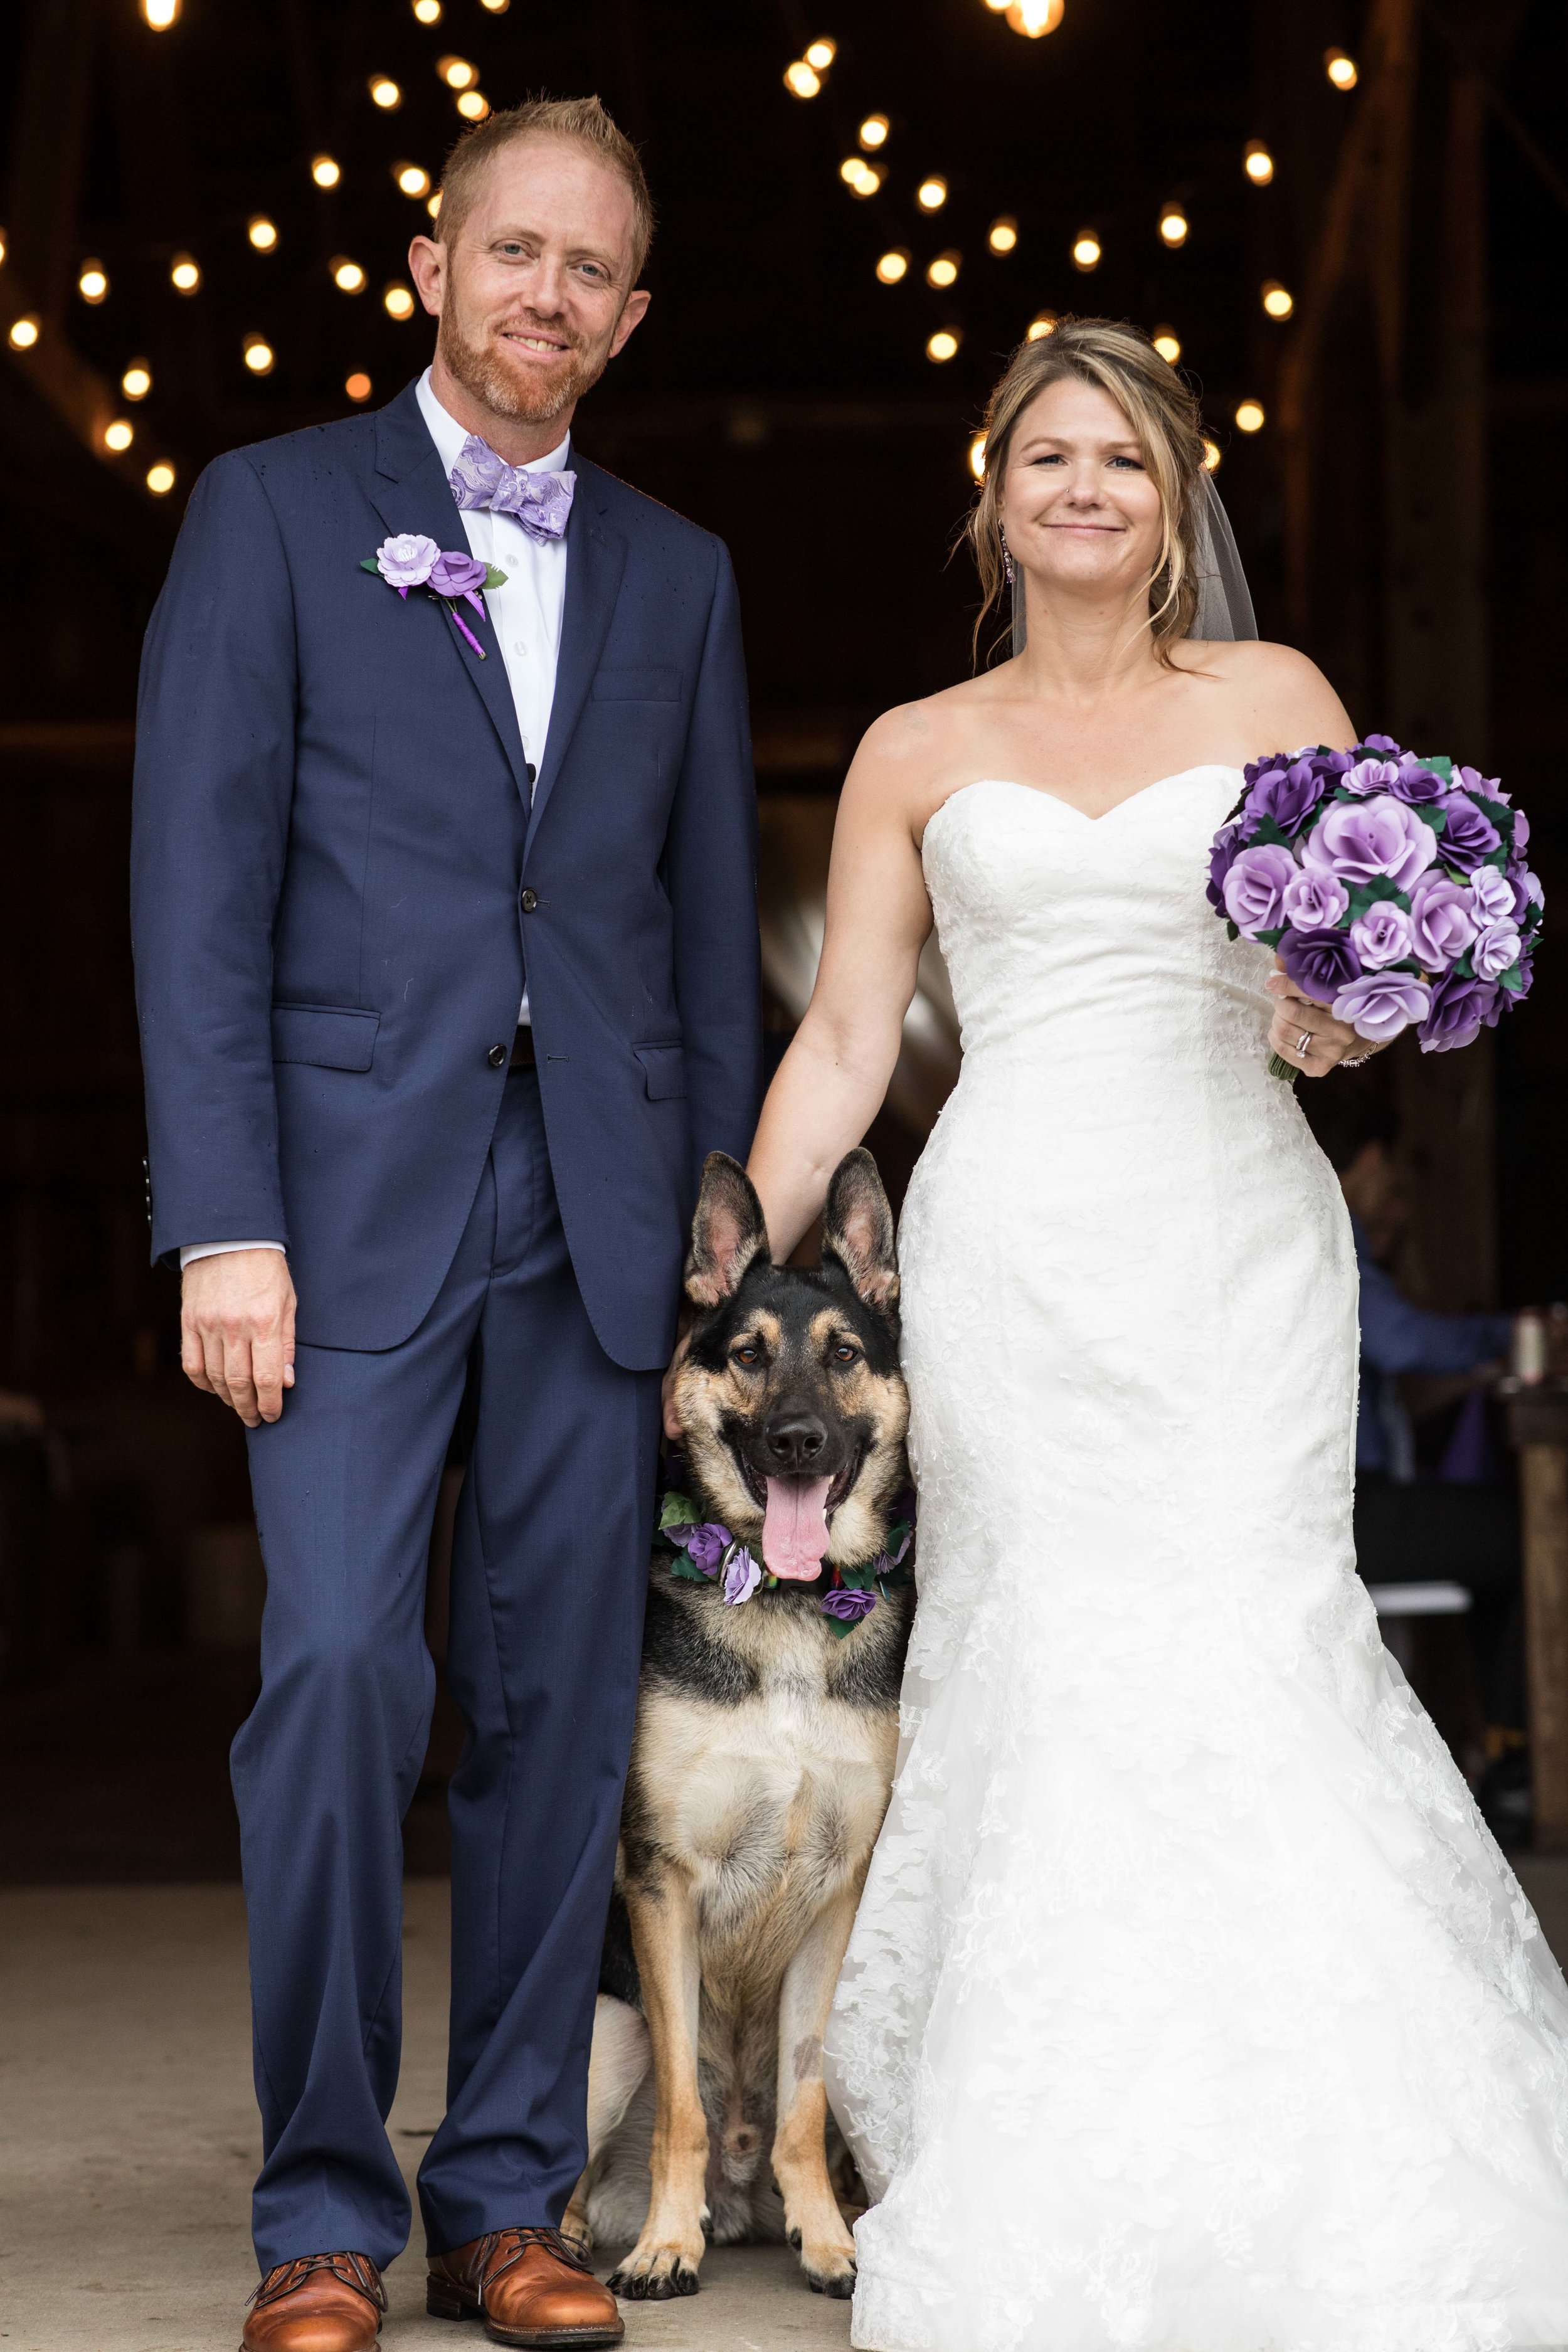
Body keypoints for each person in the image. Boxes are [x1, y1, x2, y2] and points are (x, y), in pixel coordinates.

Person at [744, 318, 1568, 2351]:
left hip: (1233, 1240)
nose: (1087, 487)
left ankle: (1340, 2136)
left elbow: (1339, 967)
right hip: (1016, 1244)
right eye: (1049, 457)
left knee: (1252, 1630)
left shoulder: (1276, 696)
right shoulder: (916, 750)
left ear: (1181, 490)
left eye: (1125, 457)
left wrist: (1352, 1013)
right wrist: (739, 1282)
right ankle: (1045, 2143)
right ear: (995, 493)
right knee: (1048, 1655)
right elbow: (850, 1036)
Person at [131, 98, 760, 2352]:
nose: (547, 295)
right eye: (512, 250)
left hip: (593, 1213)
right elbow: (194, 890)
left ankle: (507, 2192)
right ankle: (319, 2207)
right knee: (335, 1673)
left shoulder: (680, 569)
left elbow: (697, 915)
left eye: (590, 271)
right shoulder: (274, 513)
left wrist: (715, 1192)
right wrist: (222, 1218)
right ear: (428, 262)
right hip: (337, 1208)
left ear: (631, 316)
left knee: (555, 1702)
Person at [1313, 1098, 1523, 1729]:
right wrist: (1517, 1330)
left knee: (1504, 1539)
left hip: (1339, 1502)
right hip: (1351, 1509)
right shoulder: (1326, 1223)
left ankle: (1508, 1748)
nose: (1395, 1202)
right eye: (1396, 1184)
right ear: (1372, 1159)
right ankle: (1518, 1757)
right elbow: (1402, 1342)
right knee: (1532, 1539)